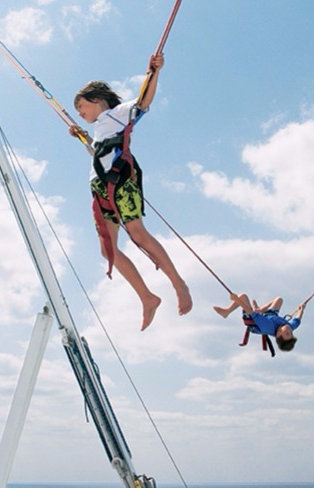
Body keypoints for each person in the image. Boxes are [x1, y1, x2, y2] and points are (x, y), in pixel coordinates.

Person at [70, 51, 192, 331]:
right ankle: (147, 297)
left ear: (96, 100)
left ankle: (177, 282)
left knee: (136, 232)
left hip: (120, 179)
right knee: (108, 250)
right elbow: (98, 149)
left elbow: (144, 102)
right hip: (99, 187)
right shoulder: (101, 126)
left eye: (81, 106)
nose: (80, 112)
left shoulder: (117, 113)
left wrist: (154, 71)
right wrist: (81, 136)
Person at [214, 292, 305, 351]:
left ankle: (226, 312)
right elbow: (297, 320)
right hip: (270, 316)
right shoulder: (290, 327)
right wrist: (301, 309)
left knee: (243, 297)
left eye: (287, 334)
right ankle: (261, 309)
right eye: (291, 333)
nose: (290, 331)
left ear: (278, 334)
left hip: (253, 321)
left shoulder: (267, 326)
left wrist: (236, 299)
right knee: (279, 299)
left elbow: (251, 312)